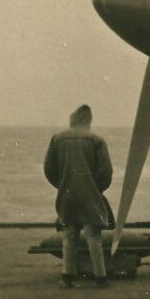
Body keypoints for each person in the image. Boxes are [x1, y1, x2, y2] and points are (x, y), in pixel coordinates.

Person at [43, 104, 113, 288]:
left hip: (67, 194)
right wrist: (97, 189)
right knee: (93, 237)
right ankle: (100, 278)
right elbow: (106, 172)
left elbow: (49, 169)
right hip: (90, 195)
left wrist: (62, 185)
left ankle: (67, 277)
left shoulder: (57, 139)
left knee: (69, 236)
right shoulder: (97, 140)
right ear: (88, 121)